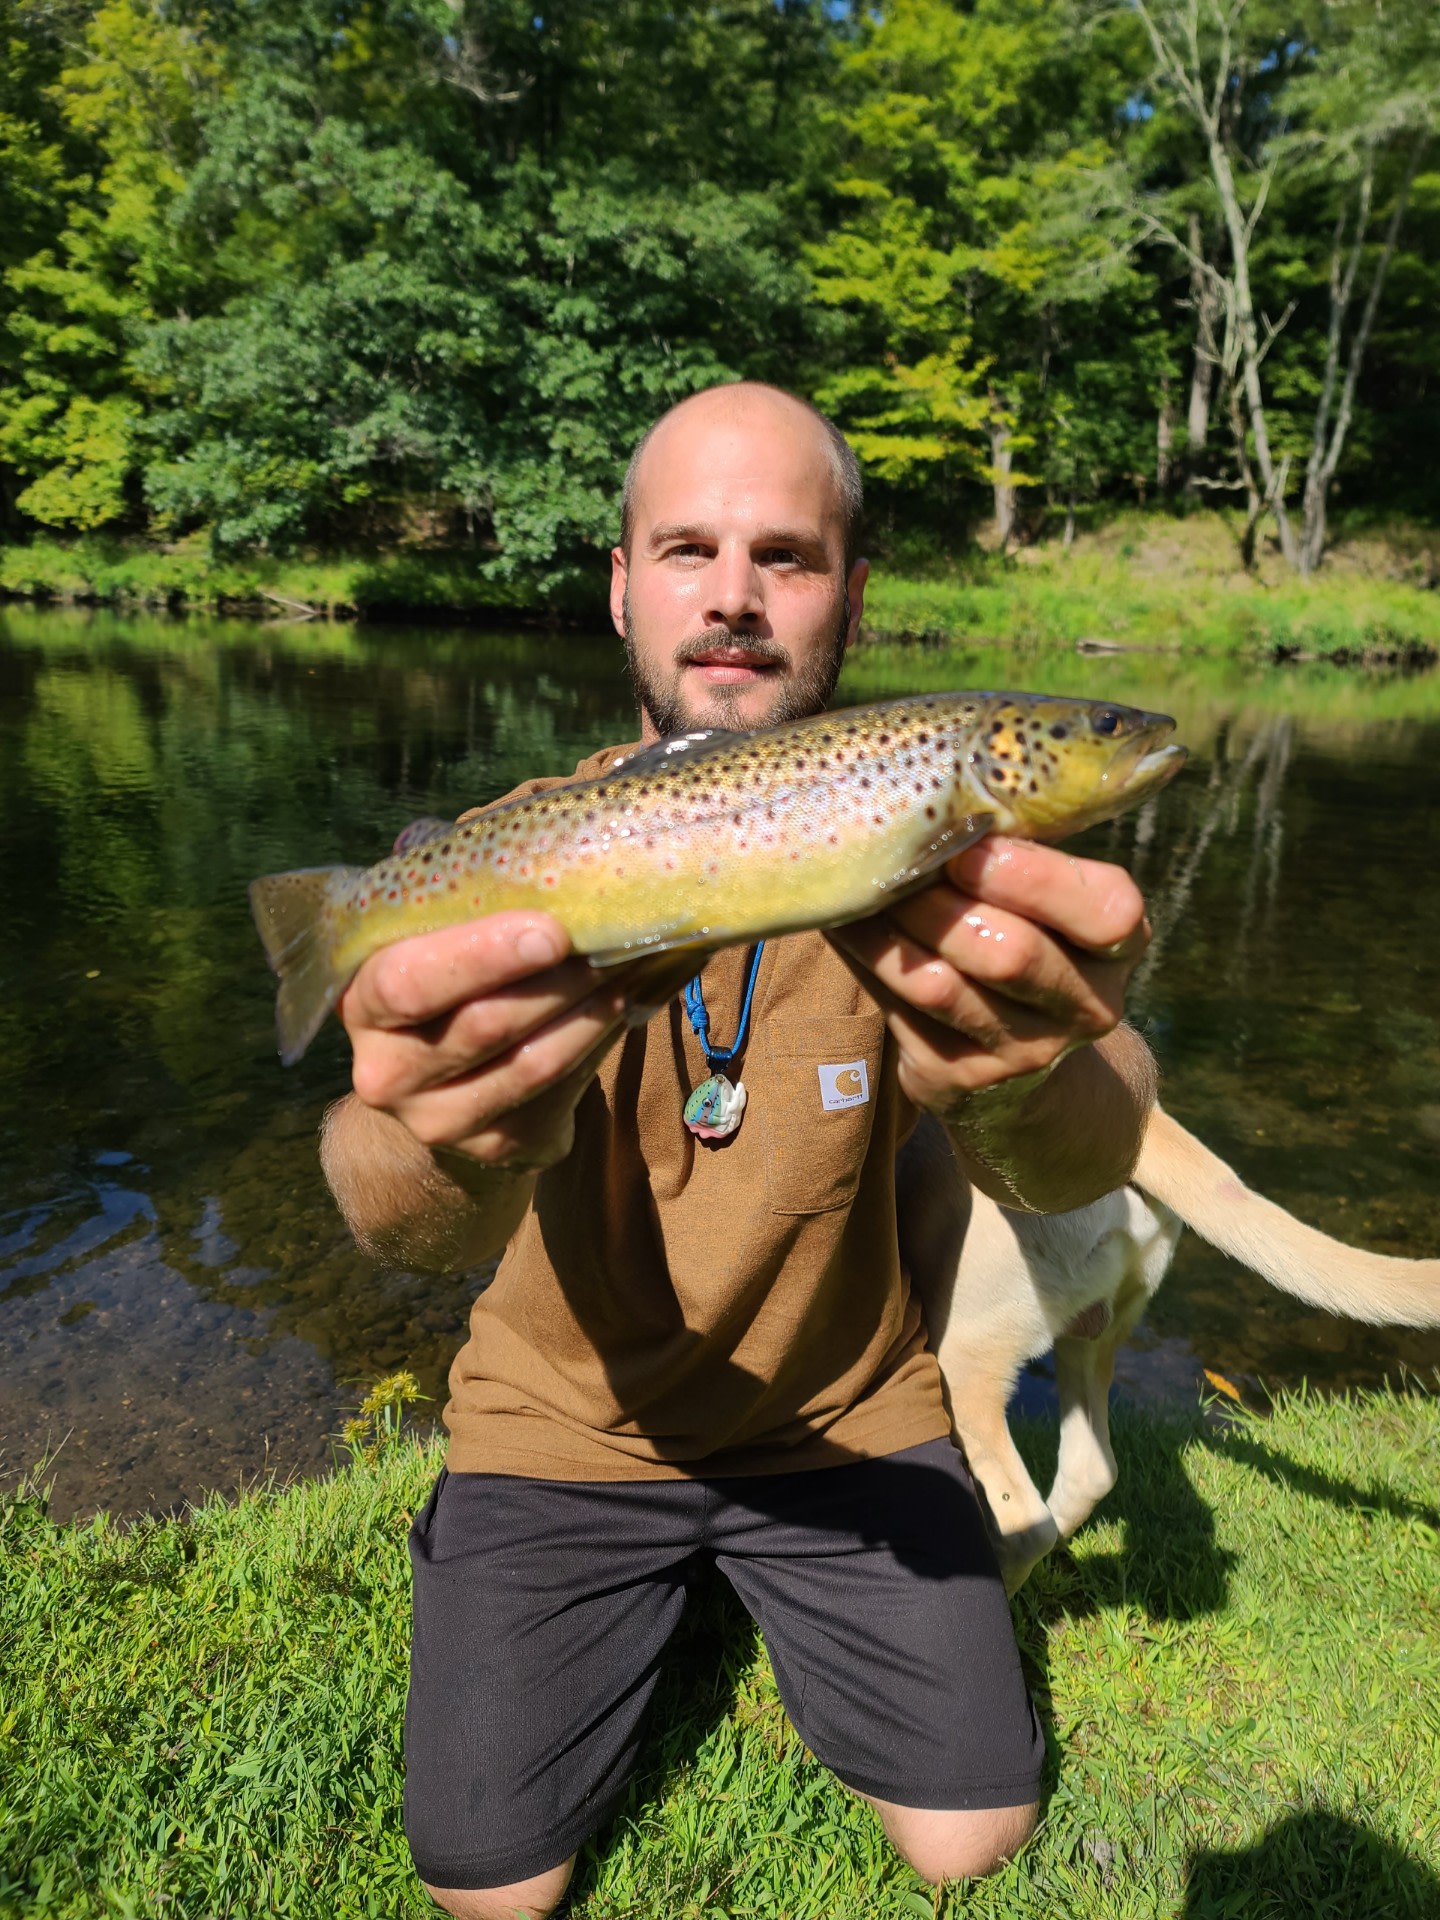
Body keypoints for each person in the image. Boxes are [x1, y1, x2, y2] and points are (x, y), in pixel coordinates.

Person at [320, 383, 1157, 1919]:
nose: (733, 596)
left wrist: (1028, 1084)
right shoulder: (516, 850)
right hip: (565, 1429)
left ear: (853, 593)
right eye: (688, 549)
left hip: (845, 1417)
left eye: (786, 555)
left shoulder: (950, 867)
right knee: (490, 1890)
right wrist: (453, 1138)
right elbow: (399, 1223)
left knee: (974, 1837)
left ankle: (760, 1581)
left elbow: (1092, 1143)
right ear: (621, 585)